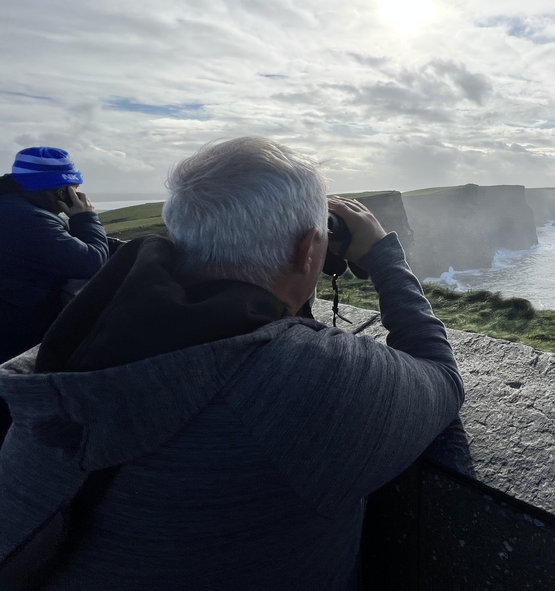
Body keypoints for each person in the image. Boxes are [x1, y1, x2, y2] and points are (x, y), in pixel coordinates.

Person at [0, 137, 464, 590]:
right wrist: (384, 257)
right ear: (309, 249)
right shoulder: (305, 379)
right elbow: (441, 378)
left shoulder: (78, 343)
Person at [0, 147, 109, 364]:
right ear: (61, 191)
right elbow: (92, 261)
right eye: (74, 188)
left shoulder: (10, 207)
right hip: (14, 343)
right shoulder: (27, 219)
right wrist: (86, 217)